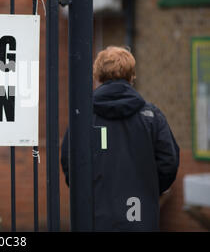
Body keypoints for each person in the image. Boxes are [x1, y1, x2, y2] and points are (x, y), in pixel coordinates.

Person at [61, 46, 180, 231]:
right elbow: (169, 162)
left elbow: (70, 162)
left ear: (97, 77)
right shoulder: (151, 116)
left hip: (95, 218)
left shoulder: (82, 117)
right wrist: (148, 188)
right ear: (131, 77)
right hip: (140, 217)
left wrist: (88, 191)